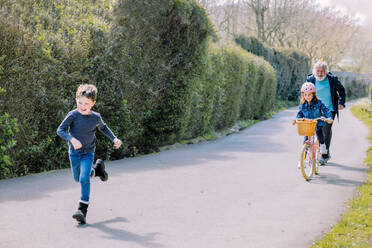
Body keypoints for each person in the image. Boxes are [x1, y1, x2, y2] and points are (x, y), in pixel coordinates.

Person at [57, 84, 122, 224]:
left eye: (86, 103)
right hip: (74, 153)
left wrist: (115, 138)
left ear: (93, 103)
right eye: (80, 102)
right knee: (77, 178)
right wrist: (71, 139)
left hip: (88, 153)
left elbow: (103, 128)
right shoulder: (73, 115)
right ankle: (97, 171)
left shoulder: (95, 117)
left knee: (83, 179)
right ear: (76, 100)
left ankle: (82, 210)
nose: (82, 106)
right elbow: (60, 130)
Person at [306, 61, 346, 163]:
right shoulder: (310, 79)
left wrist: (341, 102)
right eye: (318, 71)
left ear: (326, 72)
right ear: (314, 71)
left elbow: (342, 90)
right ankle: (305, 156)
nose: (320, 73)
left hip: (329, 109)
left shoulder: (332, 79)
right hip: (314, 109)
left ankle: (325, 155)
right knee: (309, 131)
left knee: (326, 130)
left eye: (322, 71)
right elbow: (305, 93)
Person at [293, 82, 333, 164]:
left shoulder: (319, 103)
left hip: (317, 122)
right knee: (306, 141)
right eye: (305, 95)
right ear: (303, 95)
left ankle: (322, 147)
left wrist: (329, 117)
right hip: (308, 124)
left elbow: (326, 110)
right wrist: (297, 119)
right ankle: (302, 160)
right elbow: (300, 113)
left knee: (319, 133)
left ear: (313, 94)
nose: (307, 97)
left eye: (309, 95)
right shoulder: (303, 104)